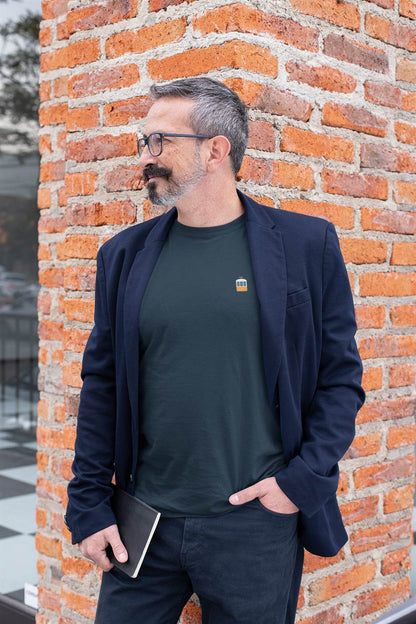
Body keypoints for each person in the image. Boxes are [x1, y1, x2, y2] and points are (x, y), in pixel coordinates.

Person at [65, 77, 365, 624]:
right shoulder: (123, 256)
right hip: (142, 525)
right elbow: (102, 384)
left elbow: (340, 379)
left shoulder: (305, 245)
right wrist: (87, 504)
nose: (146, 157)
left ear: (216, 148)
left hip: (254, 526)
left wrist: (297, 485)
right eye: (144, 143)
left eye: (160, 142)